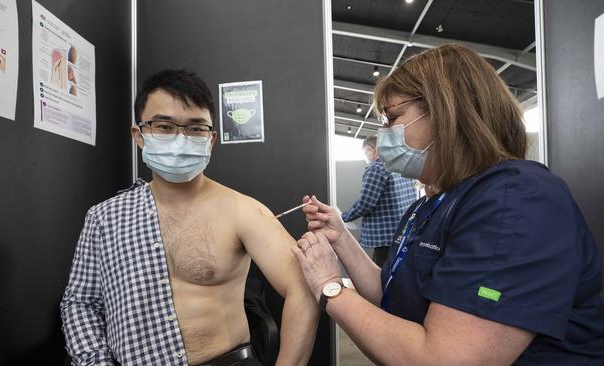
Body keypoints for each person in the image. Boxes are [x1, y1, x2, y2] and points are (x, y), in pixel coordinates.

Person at [293, 44, 604, 365]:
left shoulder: (515, 200)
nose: (384, 135)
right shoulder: (430, 206)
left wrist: (331, 288)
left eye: (394, 117)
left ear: (446, 111)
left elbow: (445, 358)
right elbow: (390, 293)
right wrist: (341, 237)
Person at [60, 69, 319, 365]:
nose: (180, 139)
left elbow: (302, 286)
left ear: (211, 140)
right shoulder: (105, 218)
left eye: (196, 129)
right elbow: (80, 303)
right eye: (164, 126)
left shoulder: (243, 211)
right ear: (139, 135)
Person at [341, 135, 417, 267]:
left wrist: (342, 218)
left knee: (381, 277)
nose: (366, 156)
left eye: (366, 152)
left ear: (374, 149)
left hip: (384, 238)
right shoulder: (400, 166)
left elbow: (365, 203)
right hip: (404, 233)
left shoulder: (377, 169)